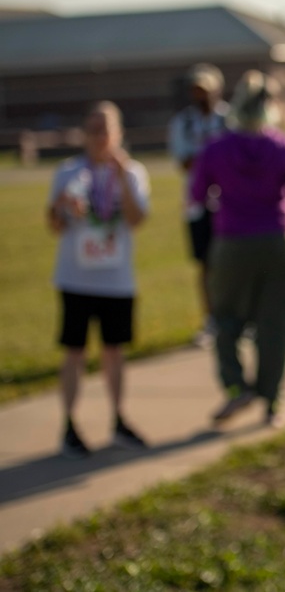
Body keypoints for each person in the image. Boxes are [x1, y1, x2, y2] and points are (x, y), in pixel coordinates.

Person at [190, 70, 285, 427]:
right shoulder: (283, 146)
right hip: (279, 243)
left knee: (225, 319)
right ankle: (272, 400)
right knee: (276, 324)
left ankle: (236, 387)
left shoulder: (216, 148)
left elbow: (195, 196)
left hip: (232, 243)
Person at [46, 101, 150, 458]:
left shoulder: (133, 172)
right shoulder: (68, 172)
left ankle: (118, 419)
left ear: (118, 133)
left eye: (105, 129)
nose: (98, 137)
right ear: (83, 134)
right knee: (74, 352)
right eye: (92, 130)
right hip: (76, 278)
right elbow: (54, 225)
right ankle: (69, 424)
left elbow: (136, 219)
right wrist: (60, 207)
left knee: (114, 352)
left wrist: (120, 176)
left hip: (116, 279)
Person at [168, 63, 229, 344]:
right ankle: (211, 320)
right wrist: (214, 156)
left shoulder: (229, 118)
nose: (200, 95)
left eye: (205, 90)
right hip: (197, 204)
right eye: (196, 90)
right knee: (205, 264)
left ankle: (236, 318)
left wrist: (205, 156)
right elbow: (184, 162)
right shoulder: (183, 123)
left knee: (230, 263)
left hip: (229, 202)